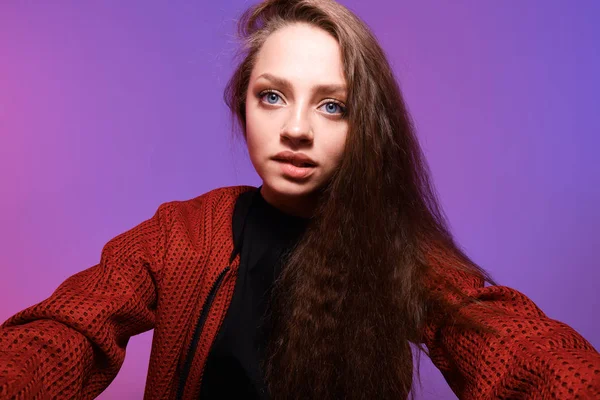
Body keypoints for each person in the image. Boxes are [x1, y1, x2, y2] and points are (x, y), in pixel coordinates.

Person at [1, 0, 599, 399]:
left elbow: (514, 345)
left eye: (331, 105)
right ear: (243, 106)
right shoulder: (180, 235)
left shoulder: (401, 254)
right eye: (273, 96)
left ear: (365, 126)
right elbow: (68, 331)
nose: (296, 129)